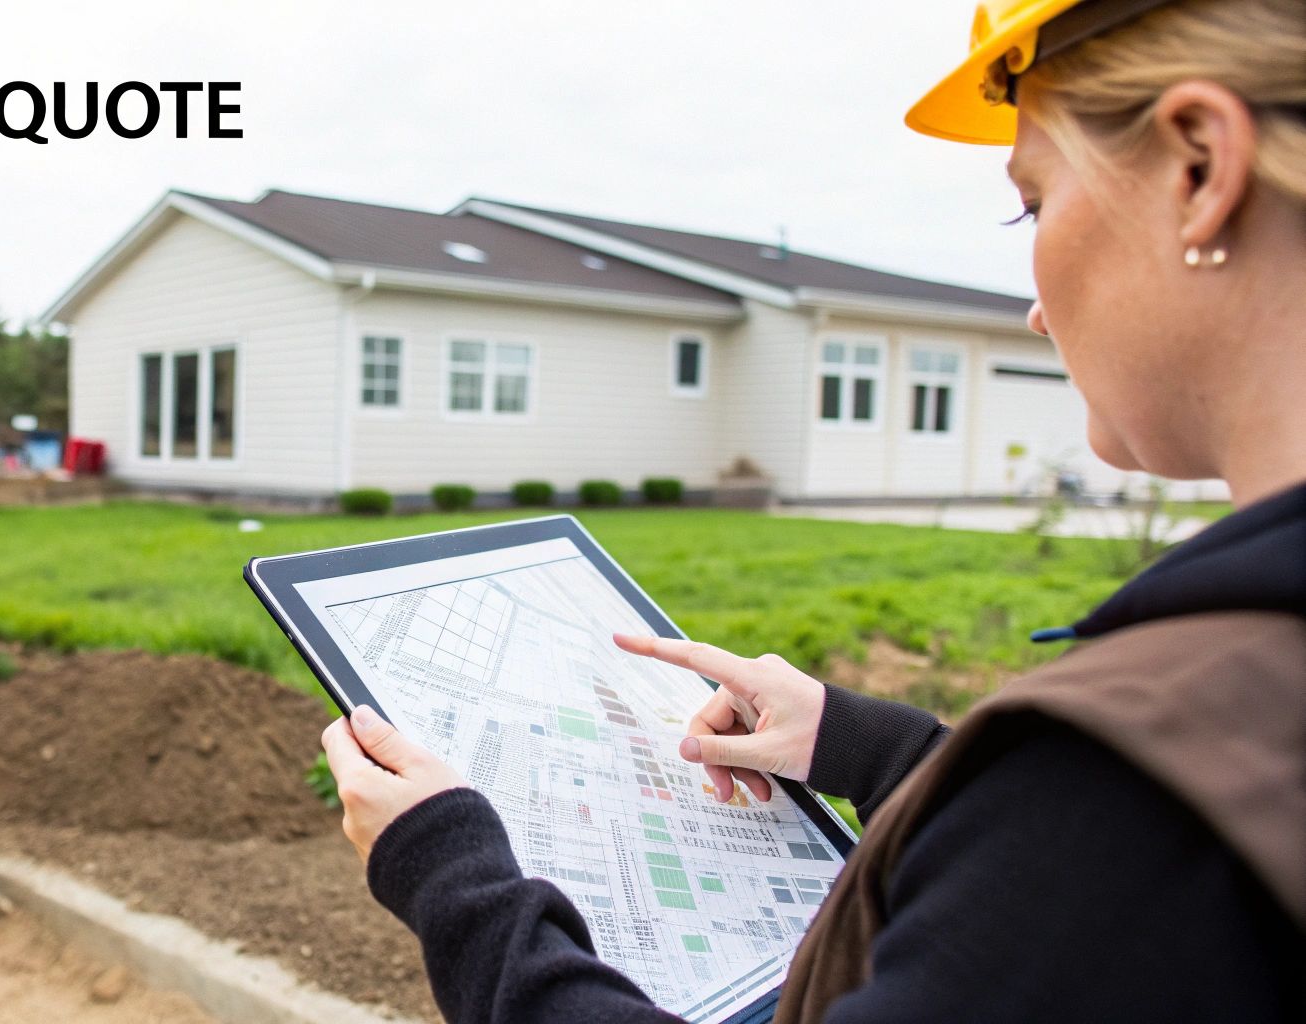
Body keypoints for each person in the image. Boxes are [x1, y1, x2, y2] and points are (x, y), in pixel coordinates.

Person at [320, 0, 1306, 1020]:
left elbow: (1084, 869)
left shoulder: (1129, 794)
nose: (1032, 306)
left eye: (1032, 202)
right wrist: (871, 750)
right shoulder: (1223, 726)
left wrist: (452, 875)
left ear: (1196, 167)